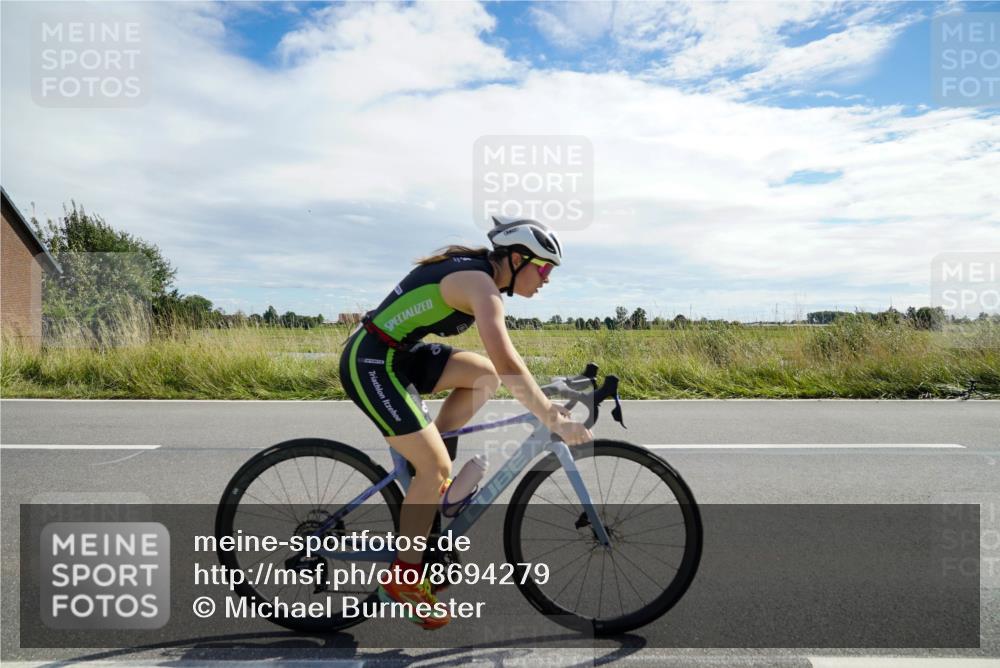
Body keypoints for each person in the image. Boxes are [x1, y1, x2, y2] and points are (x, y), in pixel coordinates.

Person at [338, 216, 594, 630]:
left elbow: (499, 368)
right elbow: (507, 358)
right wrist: (549, 415)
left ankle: (431, 484)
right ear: (516, 259)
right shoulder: (481, 286)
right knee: (436, 464)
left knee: (483, 376)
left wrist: (545, 399)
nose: (547, 278)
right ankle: (405, 578)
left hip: (401, 355)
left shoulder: (481, 278)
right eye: (544, 268)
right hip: (370, 362)